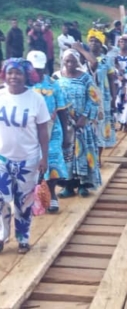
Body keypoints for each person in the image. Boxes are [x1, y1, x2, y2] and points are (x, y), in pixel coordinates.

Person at [0, 58, 50, 254]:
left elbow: (43, 132)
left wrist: (44, 158)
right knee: (1, 199)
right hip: (2, 159)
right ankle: (2, 235)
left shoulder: (36, 99)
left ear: (26, 75)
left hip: (27, 161)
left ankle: (23, 237)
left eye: (18, 73)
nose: (14, 77)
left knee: (24, 202)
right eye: (10, 72)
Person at [56, 49, 102, 198]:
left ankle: (83, 185)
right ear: (62, 60)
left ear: (78, 62)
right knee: (67, 154)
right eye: (67, 61)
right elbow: (53, 99)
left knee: (83, 152)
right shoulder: (56, 77)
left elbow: (93, 98)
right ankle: (68, 186)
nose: (69, 64)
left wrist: (84, 117)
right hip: (64, 124)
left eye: (73, 61)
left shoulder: (86, 78)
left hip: (82, 123)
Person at [28, 51, 69, 213]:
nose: (37, 72)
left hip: (52, 129)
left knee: (51, 161)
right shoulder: (23, 85)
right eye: (34, 69)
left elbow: (62, 111)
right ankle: (34, 197)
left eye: (40, 69)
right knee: (31, 164)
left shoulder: (53, 84)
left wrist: (66, 135)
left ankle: (52, 194)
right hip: (29, 131)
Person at [85, 33, 116, 163]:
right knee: (88, 127)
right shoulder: (82, 59)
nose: (93, 43)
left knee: (101, 127)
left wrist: (114, 97)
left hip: (103, 99)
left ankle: (98, 158)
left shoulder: (106, 60)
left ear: (101, 44)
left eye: (96, 41)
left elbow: (111, 78)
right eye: (91, 41)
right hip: (86, 100)